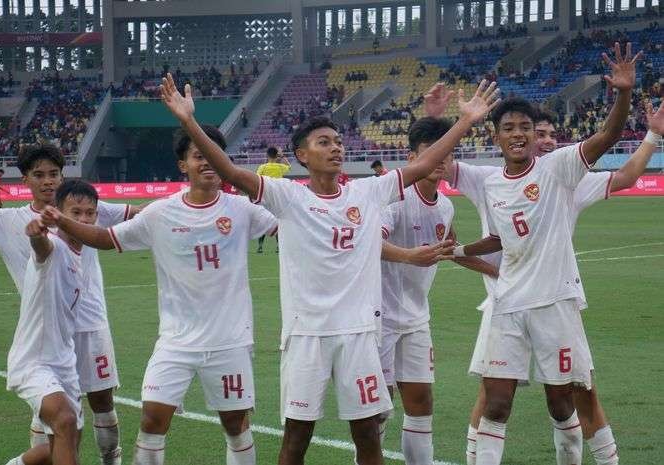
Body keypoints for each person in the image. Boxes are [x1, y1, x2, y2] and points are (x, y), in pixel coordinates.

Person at [158, 72, 500, 465]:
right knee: (297, 437)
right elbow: (233, 174)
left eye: (338, 142)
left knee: (368, 434)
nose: (336, 148)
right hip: (307, 336)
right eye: (324, 142)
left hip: (359, 335)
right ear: (302, 155)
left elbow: (423, 165)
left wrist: (465, 121)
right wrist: (189, 122)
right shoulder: (288, 198)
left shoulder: (368, 192)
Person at [443, 43, 640, 465]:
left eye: (525, 127)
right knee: (496, 402)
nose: (518, 133)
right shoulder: (490, 182)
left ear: (535, 135)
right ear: (496, 136)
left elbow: (607, 137)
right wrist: (459, 250)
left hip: (554, 303)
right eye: (509, 127)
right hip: (509, 303)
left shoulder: (559, 167)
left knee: (563, 400)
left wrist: (623, 93)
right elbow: (499, 236)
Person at [42, 125, 277, 465]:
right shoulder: (160, 213)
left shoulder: (243, 210)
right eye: (199, 156)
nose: (208, 162)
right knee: (152, 419)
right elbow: (107, 239)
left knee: (236, 424)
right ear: (183, 165)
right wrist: (60, 221)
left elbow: (289, 229)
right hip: (175, 342)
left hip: (230, 340)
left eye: (214, 155)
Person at [0, 145, 134, 465]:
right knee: (54, 416)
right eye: (39, 175)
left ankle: (112, 460)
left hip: (91, 324)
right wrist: (37, 235)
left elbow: (138, 216)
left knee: (99, 402)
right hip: (47, 334)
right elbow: (40, 248)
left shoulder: (81, 206)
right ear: (25, 179)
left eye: (54, 174)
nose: (48, 181)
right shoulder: (8, 222)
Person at [378, 116, 500, 465]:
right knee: (378, 408)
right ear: (412, 157)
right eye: (427, 154)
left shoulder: (445, 206)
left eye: (444, 155)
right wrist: (408, 257)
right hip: (379, 317)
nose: (437, 162)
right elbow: (368, 242)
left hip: (416, 317)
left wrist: (500, 274)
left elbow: (449, 249)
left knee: (421, 405)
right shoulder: (396, 198)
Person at [5, 180, 100, 465]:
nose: (83, 219)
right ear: (57, 212)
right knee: (65, 420)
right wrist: (36, 234)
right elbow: (42, 247)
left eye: (90, 213)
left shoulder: (80, 255)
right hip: (33, 361)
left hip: (64, 362)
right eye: (75, 212)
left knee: (64, 442)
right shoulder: (55, 247)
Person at [255, 146, 290, 253]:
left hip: (265, 198)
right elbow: (289, 166)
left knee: (263, 223)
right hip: (277, 199)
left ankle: (260, 247)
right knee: (277, 223)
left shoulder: (263, 167)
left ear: (267, 155)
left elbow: (257, 178)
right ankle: (278, 246)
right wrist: (283, 156)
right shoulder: (280, 167)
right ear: (276, 156)